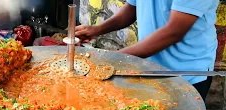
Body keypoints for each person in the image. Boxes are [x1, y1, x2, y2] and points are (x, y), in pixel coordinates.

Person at [75, 1, 219, 100]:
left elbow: (174, 32)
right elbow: (131, 8)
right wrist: (98, 29)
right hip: (150, 67)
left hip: (187, 72)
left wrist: (113, 58)